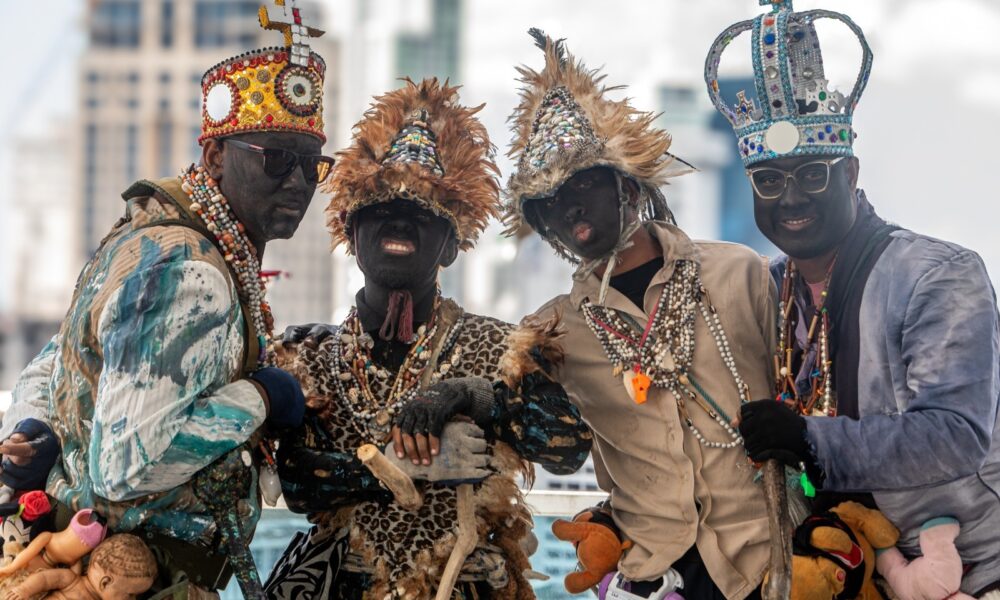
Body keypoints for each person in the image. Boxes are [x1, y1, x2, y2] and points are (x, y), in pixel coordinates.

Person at [0, 1, 333, 595]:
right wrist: (262, 396)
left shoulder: (144, 237)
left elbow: (55, 358)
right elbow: (128, 467)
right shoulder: (190, 269)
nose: (299, 183)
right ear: (214, 156)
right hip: (132, 575)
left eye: (314, 166)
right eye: (277, 159)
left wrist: (36, 421)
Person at [703, 1, 1000, 597]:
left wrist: (810, 439)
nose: (790, 198)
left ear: (852, 173)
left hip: (968, 570)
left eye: (813, 173)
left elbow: (955, 435)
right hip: (851, 570)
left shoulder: (939, 274)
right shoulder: (770, 287)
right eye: (770, 180)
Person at [263, 77, 592, 600]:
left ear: (451, 247)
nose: (400, 222)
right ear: (351, 233)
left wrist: (472, 395)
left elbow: (568, 447)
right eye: (381, 211)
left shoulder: (500, 347)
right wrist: (396, 470)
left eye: (423, 214)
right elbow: (299, 481)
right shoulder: (308, 354)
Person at [504, 29, 778, 600]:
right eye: (549, 201)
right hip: (654, 574)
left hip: (768, 561)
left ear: (627, 185)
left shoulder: (739, 273)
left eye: (583, 182)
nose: (569, 205)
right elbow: (545, 442)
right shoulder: (550, 332)